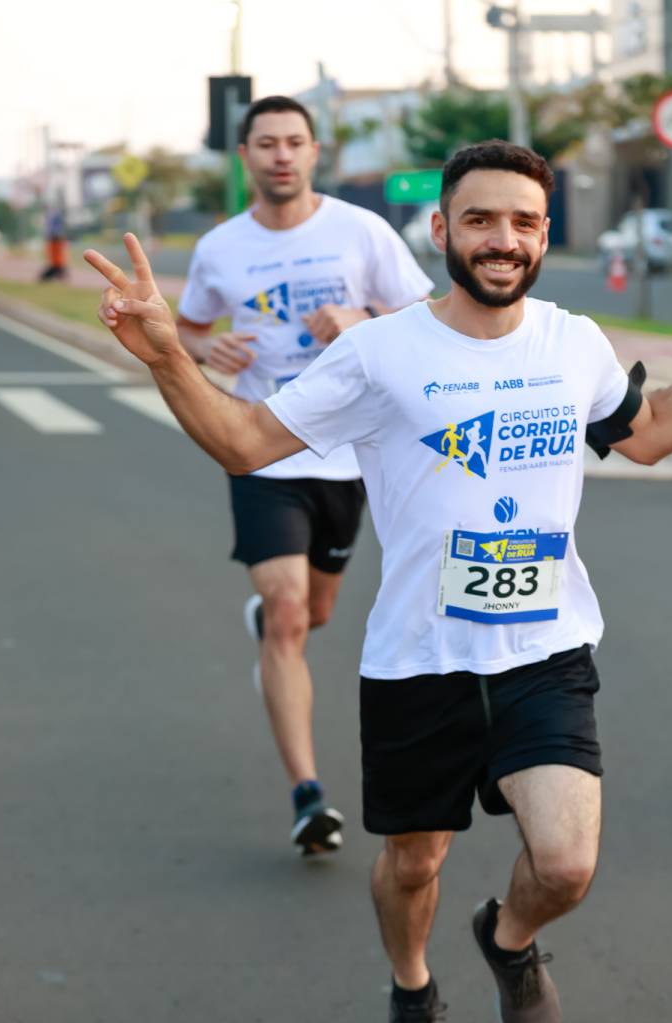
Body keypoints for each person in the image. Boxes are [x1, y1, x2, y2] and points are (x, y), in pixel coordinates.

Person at [85, 139, 672, 1023]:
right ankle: (413, 989)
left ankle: (508, 939)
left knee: (565, 864)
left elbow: (653, 430)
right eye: (480, 219)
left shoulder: (573, 343)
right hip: (420, 662)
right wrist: (170, 353)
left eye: (523, 222)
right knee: (415, 864)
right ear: (440, 229)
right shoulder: (380, 355)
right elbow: (246, 443)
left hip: (544, 652)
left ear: (545, 234)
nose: (502, 239)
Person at [174, 96, 432, 856]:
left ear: (315, 152)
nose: (281, 155)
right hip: (264, 446)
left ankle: (273, 621)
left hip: (349, 454)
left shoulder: (362, 231)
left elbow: (430, 320)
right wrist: (208, 349)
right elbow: (188, 328)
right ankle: (308, 795)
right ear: (245, 157)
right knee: (289, 615)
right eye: (266, 143)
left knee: (315, 611)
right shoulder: (220, 247)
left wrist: (363, 321)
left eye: (294, 142)